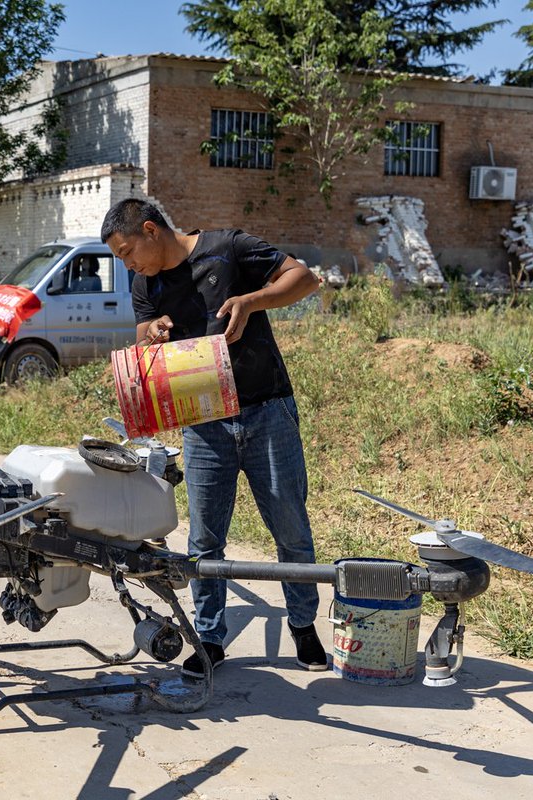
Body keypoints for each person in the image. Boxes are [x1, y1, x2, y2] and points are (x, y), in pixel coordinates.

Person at [100, 198, 327, 678]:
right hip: (203, 421)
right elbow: (143, 326)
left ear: (150, 230)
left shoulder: (229, 248)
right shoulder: (145, 282)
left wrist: (251, 300)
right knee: (204, 540)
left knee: (289, 527)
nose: (126, 263)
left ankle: (304, 627)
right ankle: (209, 639)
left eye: (126, 251)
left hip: (267, 410)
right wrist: (151, 331)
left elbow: (305, 278)